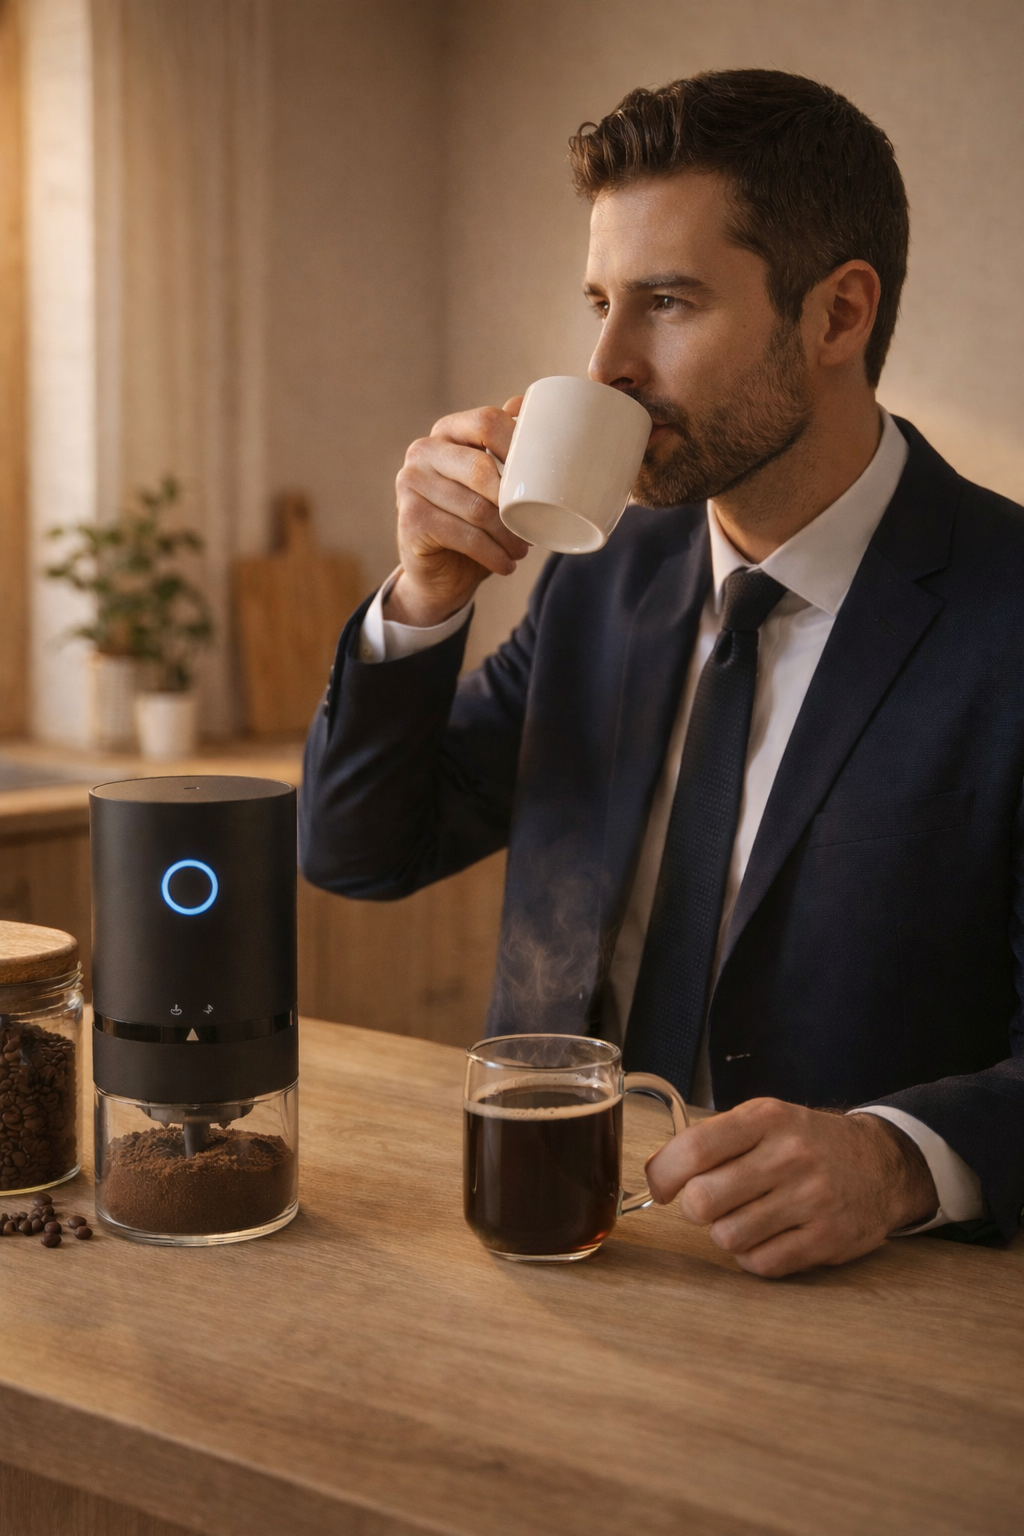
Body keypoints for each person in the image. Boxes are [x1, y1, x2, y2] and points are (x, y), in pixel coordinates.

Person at [300, 70, 1024, 1277]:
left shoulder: (1005, 612)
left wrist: (898, 1161)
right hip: (555, 1247)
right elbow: (363, 850)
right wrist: (423, 599)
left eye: (668, 303)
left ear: (838, 316)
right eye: (599, 302)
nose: (605, 365)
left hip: (874, 1304)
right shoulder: (603, 574)